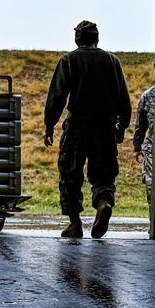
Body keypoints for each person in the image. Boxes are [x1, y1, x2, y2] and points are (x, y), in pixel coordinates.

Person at [44, 20, 132, 239]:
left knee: (70, 174)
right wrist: (122, 127)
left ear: (77, 39)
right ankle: (103, 202)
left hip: (77, 128)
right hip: (105, 127)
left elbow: (57, 96)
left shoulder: (69, 60)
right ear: (97, 38)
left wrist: (49, 125)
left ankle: (75, 223)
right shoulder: (112, 61)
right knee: (104, 174)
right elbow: (125, 100)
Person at [133, 81, 155, 204]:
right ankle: (154, 218)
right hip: (152, 149)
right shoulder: (148, 95)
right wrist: (137, 147)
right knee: (151, 187)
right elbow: (140, 125)